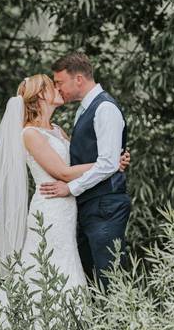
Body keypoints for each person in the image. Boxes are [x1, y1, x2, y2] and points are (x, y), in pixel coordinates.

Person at [0, 73, 129, 330]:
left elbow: (76, 166)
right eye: (52, 86)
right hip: (49, 210)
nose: (57, 88)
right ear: (40, 96)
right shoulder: (30, 133)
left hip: (66, 208)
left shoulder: (57, 130)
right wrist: (108, 164)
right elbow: (63, 172)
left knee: (67, 266)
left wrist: (111, 159)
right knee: (44, 270)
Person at [39, 52, 131, 288]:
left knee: (109, 276)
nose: (58, 89)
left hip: (105, 205)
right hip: (91, 204)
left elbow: (108, 164)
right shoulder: (85, 109)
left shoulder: (105, 109)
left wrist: (70, 188)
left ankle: (117, 323)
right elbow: (104, 160)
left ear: (78, 79)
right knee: (91, 277)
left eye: (59, 83)